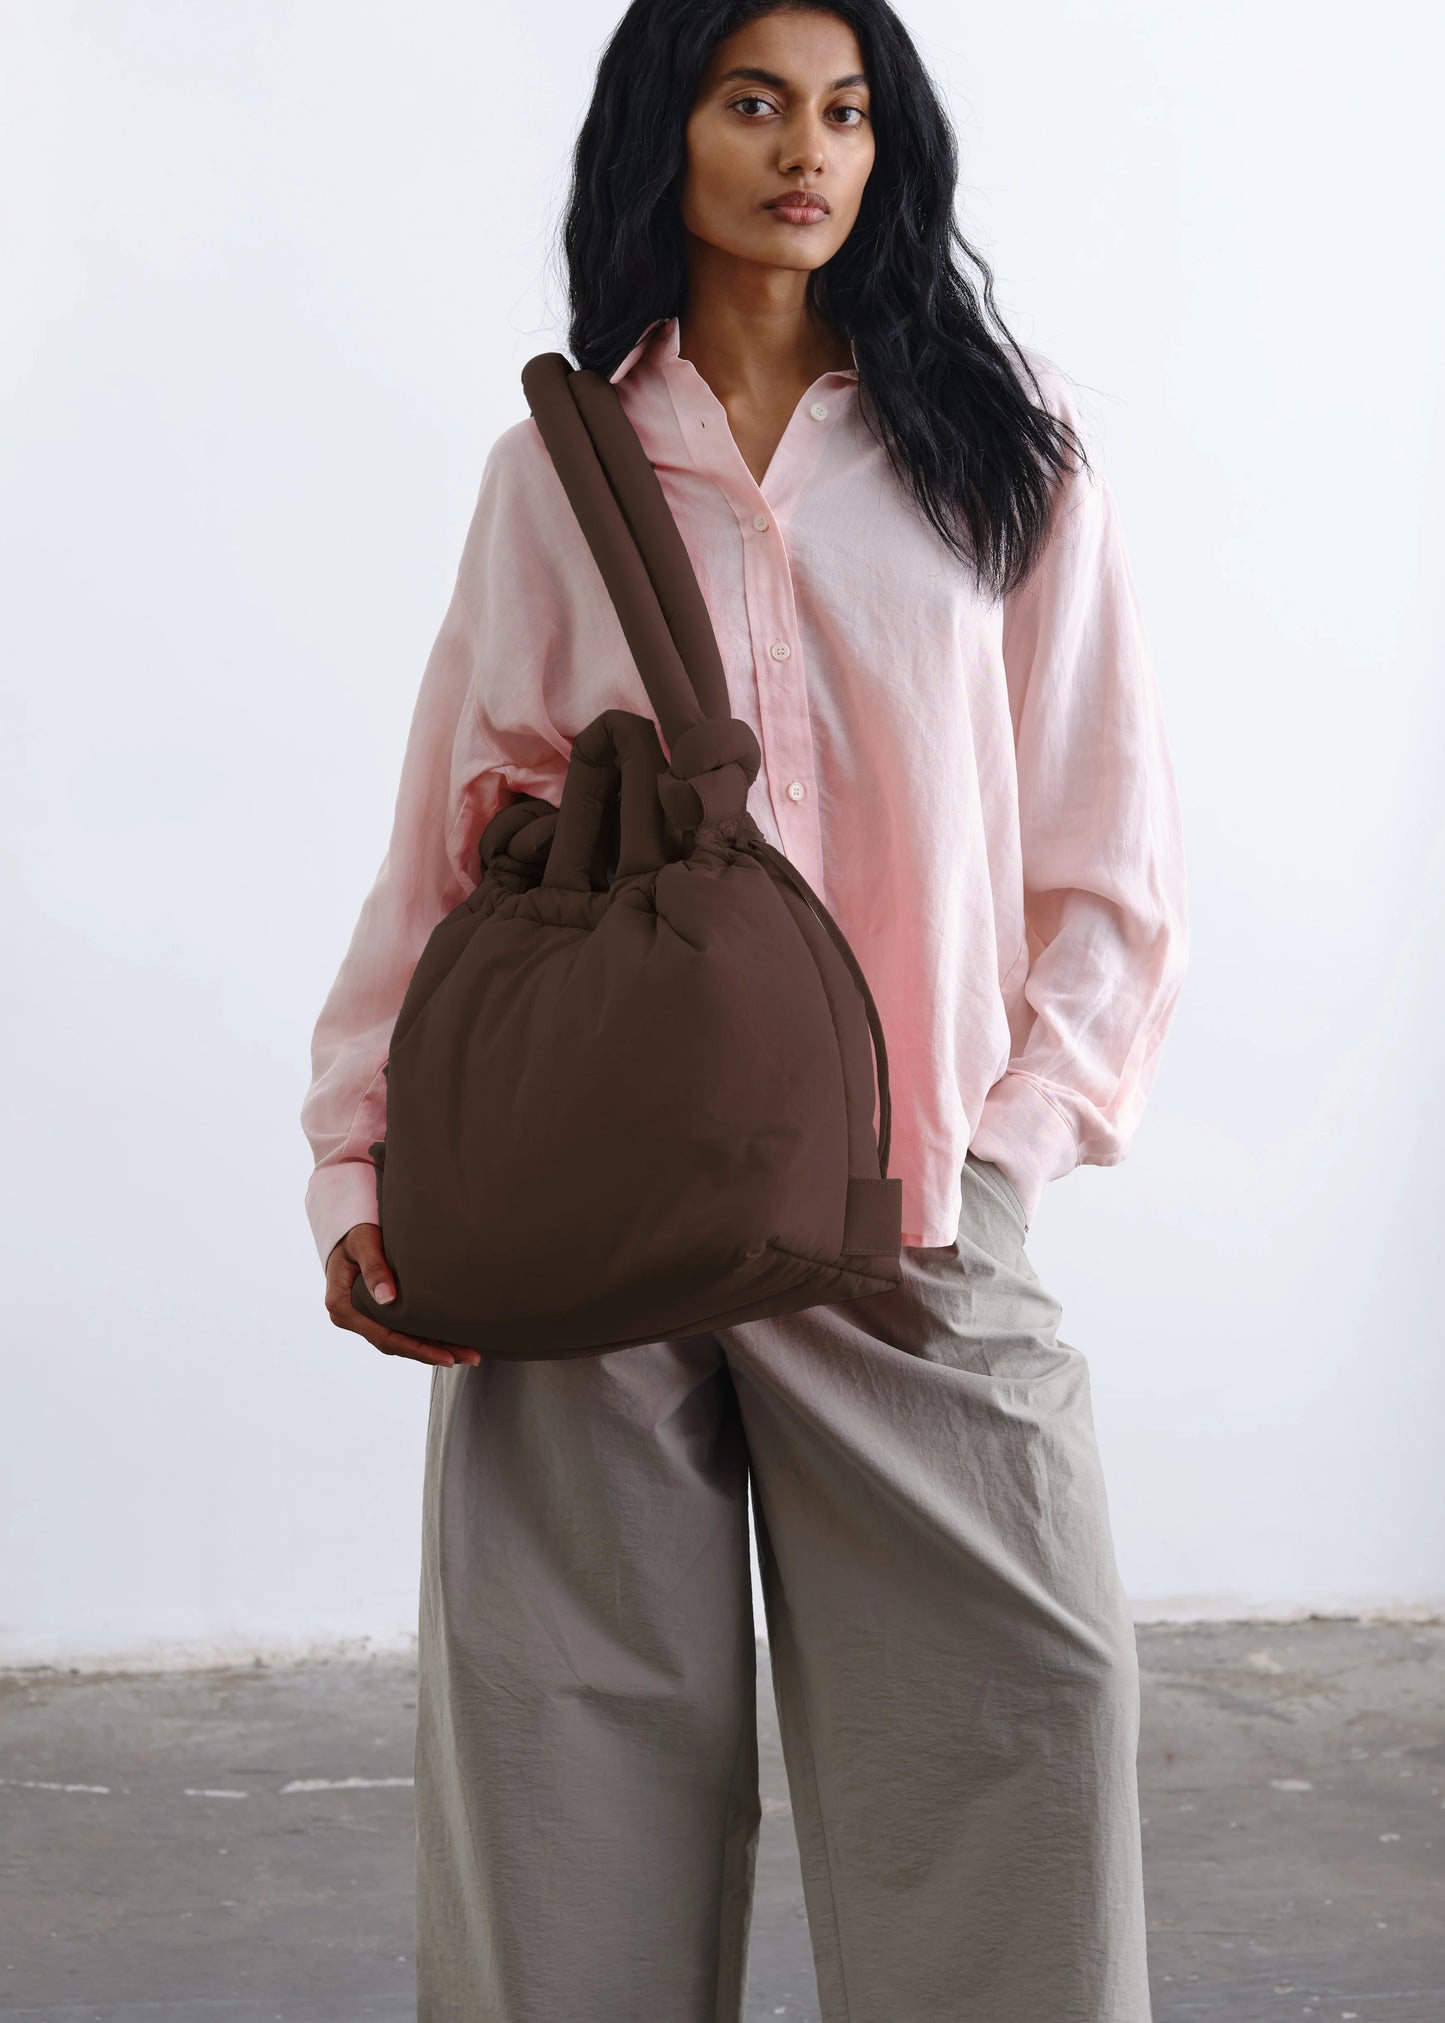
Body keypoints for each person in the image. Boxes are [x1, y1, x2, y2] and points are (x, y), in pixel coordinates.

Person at [299, 2, 1189, 2017]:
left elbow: (1109, 852)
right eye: (757, 103)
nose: (809, 151)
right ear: (666, 133)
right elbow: (449, 844)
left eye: (849, 112)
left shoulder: (1006, 452)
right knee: (563, 1769)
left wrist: (1002, 1150)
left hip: (908, 1202)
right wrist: (358, 1156)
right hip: (590, 1190)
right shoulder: (561, 470)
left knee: (1027, 1712)